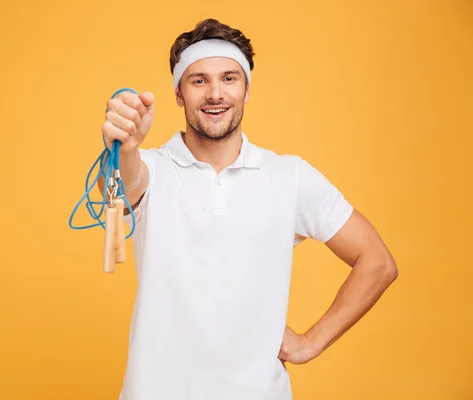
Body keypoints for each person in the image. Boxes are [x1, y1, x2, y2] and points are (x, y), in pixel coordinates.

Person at [99, 18, 398, 400]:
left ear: (246, 90)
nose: (215, 94)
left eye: (229, 78)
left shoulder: (288, 176)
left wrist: (311, 342)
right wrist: (123, 150)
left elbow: (378, 262)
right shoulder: (153, 168)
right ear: (178, 93)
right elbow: (129, 182)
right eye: (199, 80)